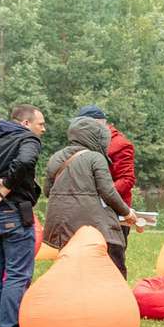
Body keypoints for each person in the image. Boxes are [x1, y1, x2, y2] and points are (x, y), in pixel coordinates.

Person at [0, 103, 46, 327]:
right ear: (26, 123)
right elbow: (26, 161)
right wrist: (7, 183)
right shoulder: (27, 139)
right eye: (41, 124)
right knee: (17, 274)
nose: (43, 129)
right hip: (13, 212)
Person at [44, 114, 137, 275]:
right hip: (91, 223)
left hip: (62, 223)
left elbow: (48, 191)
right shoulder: (96, 158)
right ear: (96, 137)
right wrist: (127, 212)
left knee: (72, 266)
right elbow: (108, 192)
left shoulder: (56, 157)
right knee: (113, 265)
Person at [74, 104, 136, 203]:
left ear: (97, 123)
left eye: (82, 125)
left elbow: (126, 180)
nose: (79, 128)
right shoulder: (84, 141)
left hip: (112, 207)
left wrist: (99, 196)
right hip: (86, 205)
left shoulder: (120, 145)